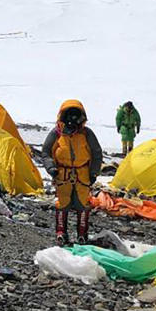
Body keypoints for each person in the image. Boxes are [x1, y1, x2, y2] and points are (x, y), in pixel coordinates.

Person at [42, 100, 102, 246]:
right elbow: (46, 152)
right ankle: (61, 232)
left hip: (83, 174)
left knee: (83, 203)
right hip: (62, 174)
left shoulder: (87, 134)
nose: (72, 120)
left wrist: (93, 173)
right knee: (63, 204)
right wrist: (51, 169)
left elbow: (96, 153)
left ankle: (82, 234)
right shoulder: (56, 133)